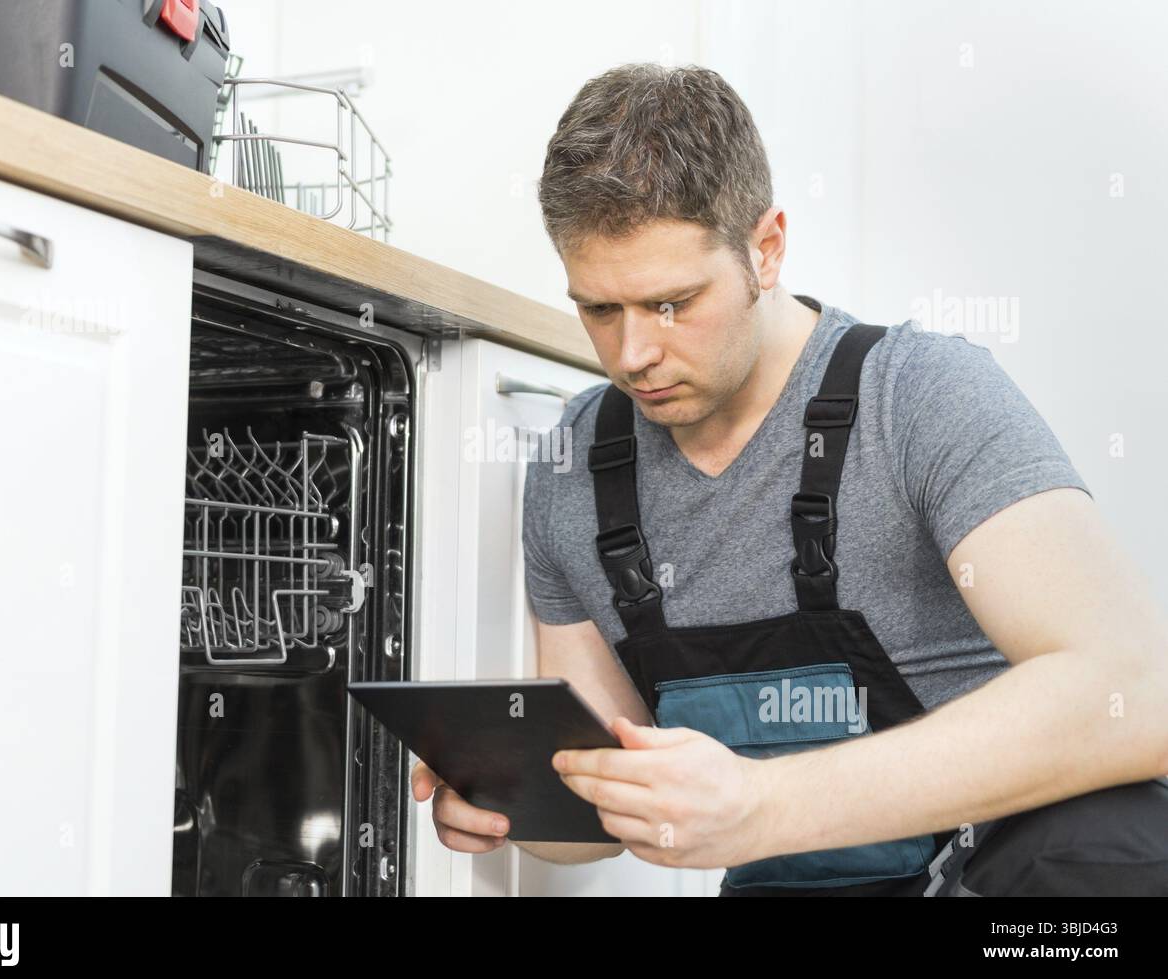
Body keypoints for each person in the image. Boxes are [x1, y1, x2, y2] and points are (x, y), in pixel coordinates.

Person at [411, 62, 1168, 896]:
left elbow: (1135, 692)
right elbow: (606, 793)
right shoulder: (574, 468)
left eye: (671, 303)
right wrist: (511, 800)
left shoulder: (919, 398)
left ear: (766, 249)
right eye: (598, 309)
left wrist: (763, 806)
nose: (632, 354)